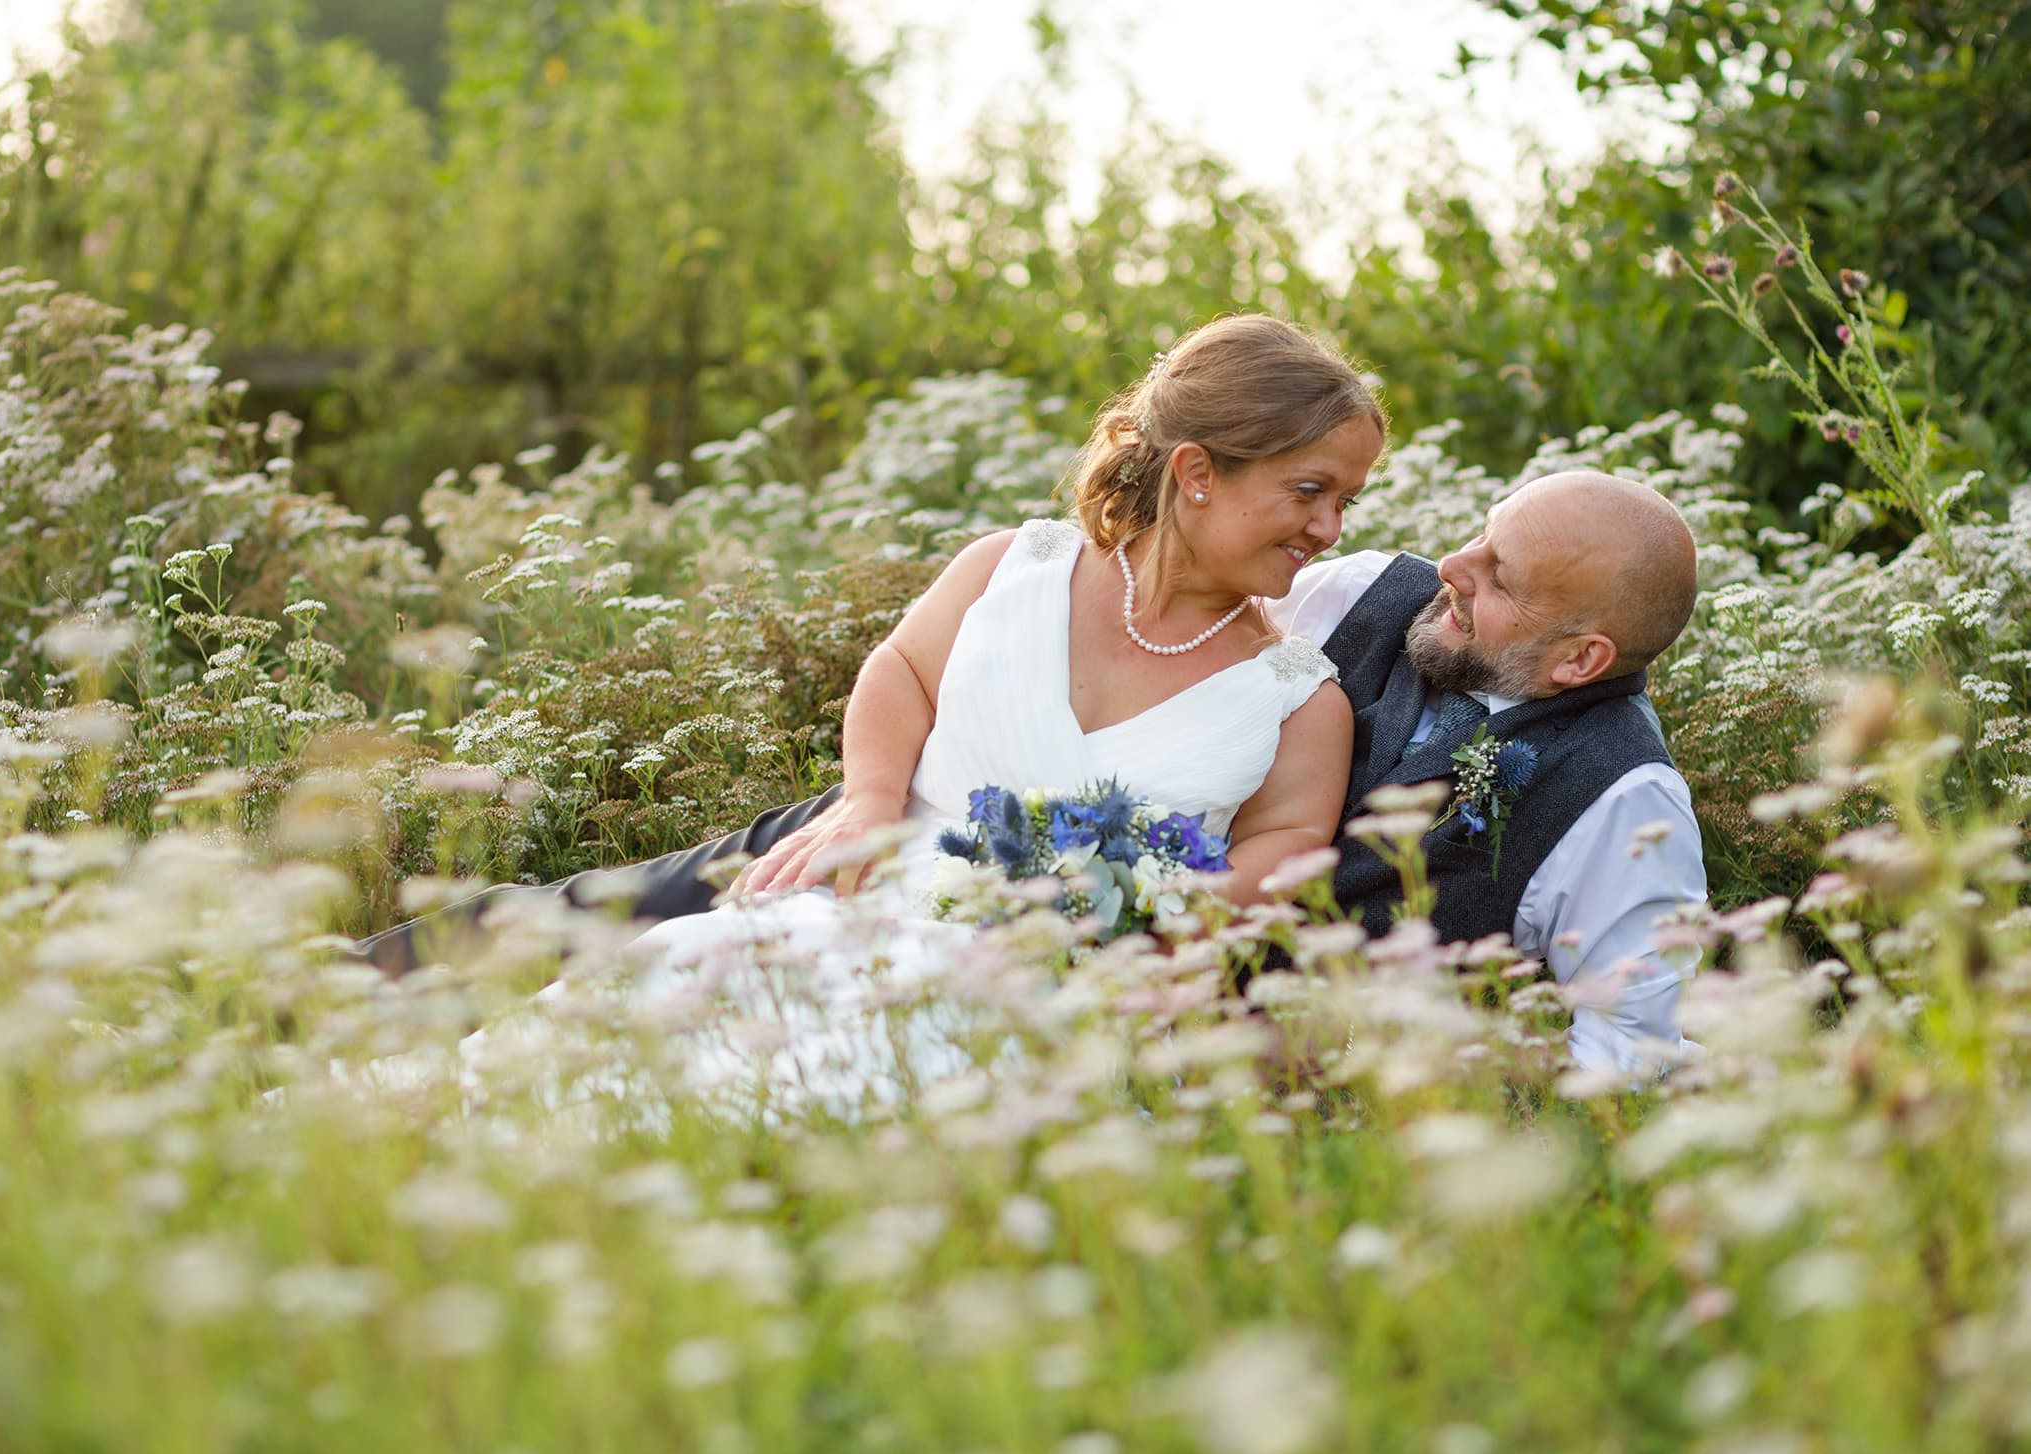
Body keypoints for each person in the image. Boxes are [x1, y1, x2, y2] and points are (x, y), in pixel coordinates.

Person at [365, 355, 1707, 1076]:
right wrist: (874, 802)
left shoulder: (1613, 793)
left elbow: (1640, 1045)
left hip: (1096, 956)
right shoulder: (1365, 595)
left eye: (1495, 575)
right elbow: (926, 666)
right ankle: (306, 998)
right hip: (891, 832)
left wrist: (1147, 920)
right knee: (590, 929)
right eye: (1319, 496)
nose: (1421, 559)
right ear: (1193, 474)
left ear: (1581, 654)